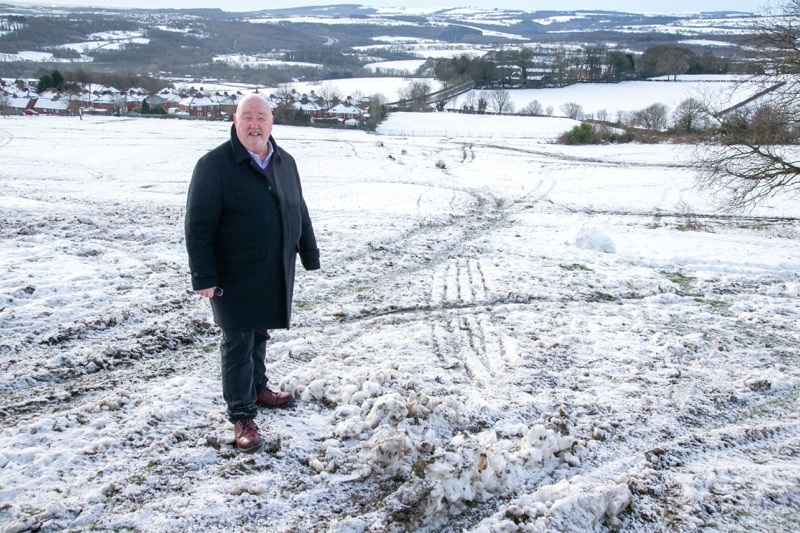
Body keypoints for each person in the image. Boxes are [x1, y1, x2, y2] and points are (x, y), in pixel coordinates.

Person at [185, 93, 320, 452]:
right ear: (235, 120)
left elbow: (298, 208)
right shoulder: (214, 165)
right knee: (237, 341)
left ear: (272, 122)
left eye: (261, 117)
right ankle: (241, 415)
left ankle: (258, 388)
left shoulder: (284, 162)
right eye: (247, 117)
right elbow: (197, 225)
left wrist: (309, 252)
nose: (254, 124)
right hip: (232, 273)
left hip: (273, 266)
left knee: (259, 332)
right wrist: (203, 275)